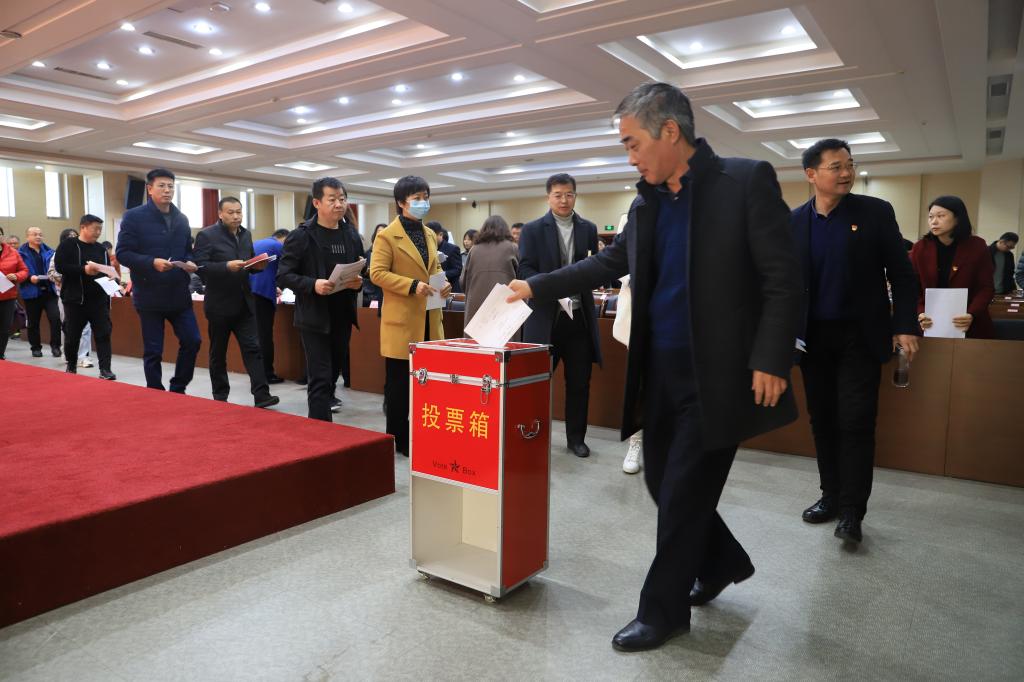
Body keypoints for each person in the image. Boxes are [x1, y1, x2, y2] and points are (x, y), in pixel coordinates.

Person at [506, 81, 802, 651]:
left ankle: (661, 612)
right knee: (662, 481)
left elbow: (783, 279)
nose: (629, 156)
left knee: (684, 493)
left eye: (632, 143)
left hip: (720, 377)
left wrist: (771, 356)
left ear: (670, 131)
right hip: (661, 373)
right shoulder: (645, 204)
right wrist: (536, 286)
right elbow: (609, 263)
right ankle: (722, 561)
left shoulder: (744, 181)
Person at [792, 138, 919, 544]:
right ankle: (830, 496)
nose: (847, 172)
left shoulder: (875, 212)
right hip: (813, 339)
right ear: (811, 174)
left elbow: (902, 274)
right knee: (823, 420)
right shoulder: (794, 222)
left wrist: (904, 325)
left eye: (850, 164)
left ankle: (852, 511)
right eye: (836, 166)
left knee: (856, 422)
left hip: (859, 336)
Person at [518, 172, 600, 458]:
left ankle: (576, 439)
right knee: (536, 384)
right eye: (558, 195)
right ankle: (532, 436)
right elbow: (524, 270)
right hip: (545, 317)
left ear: (575, 196)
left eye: (569, 194)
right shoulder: (532, 230)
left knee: (579, 382)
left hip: (578, 318)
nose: (564, 200)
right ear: (548, 197)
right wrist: (553, 287)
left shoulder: (588, 228)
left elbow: (593, 267)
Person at [369, 175, 450, 456]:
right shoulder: (387, 235)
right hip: (402, 321)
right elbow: (376, 273)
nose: (423, 203)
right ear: (401, 202)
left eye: (426, 197)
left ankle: (422, 432)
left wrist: (443, 282)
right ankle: (398, 438)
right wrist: (412, 285)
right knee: (399, 386)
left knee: (427, 384)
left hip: (429, 317)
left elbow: (433, 269)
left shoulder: (429, 233)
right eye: (416, 198)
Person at [277, 177, 364, 421]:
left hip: (342, 315)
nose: (339, 204)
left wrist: (358, 282)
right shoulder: (302, 235)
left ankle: (324, 427)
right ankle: (320, 431)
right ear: (317, 203)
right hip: (314, 317)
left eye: (342, 199)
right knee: (320, 377)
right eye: (332, 199)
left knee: (332, 375)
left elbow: (360, 267)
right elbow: (283, 275)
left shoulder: (350, 234)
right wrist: (312, 284)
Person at [115, 168, 201, 393]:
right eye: (161, 186)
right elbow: (123, 253)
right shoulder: (134, 217)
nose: (167, 190)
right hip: (149, 294)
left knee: (193, 340)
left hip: (178, 293)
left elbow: (187, 250)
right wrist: (151, 262)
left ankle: (178, 387)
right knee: (154, 349)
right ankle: (154, 390)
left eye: (171, 186)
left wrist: (190, 261)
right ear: (149, 189)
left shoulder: (181, 219)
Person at [192, 197, 280, 408]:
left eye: (239, 212)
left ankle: (261, 395)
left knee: (253, 349)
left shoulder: (246, 234)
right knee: (218, 353)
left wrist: (256, 267)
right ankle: (220, 396)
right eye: (230, 212)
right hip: (219, 305)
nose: (236, 216)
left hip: (244, 303)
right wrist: (225, 267)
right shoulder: (207, 235)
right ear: (220, 214)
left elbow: (248, 262)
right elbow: (200, 268)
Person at [911, 196, 995, 339]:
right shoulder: (920, 248)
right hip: (929, 323)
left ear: (957, 218)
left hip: (970, 324)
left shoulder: (977, 246)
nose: (934, 221)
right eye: (931, 217)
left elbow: (986, 287)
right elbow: (912, 287)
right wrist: (920, 312)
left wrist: (972, 313)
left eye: (941, 216)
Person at [53, 214, 116, 380]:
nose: (98, 232)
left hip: (98, 300)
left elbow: (106, 269)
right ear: (83, 227)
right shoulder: (68, 245)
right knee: (72, 335)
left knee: (103, 334)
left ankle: (105, 370)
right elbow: (60, 267)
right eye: (95, 229)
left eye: (100, 229)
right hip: (75, 300)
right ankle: (71, 365)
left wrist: (112, 276)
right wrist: (83, 270)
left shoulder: (101, 249)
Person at [460, 216, 517, 323]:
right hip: (505, 303)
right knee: (504, 332)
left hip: (476, 305)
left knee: (477, 332)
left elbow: (463, 281)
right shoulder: (513, 248)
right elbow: (522, 279)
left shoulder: (474, 250)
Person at [250, 228, 289, 383]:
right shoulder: (278, 246)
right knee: (265, 335)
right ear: (283, 238)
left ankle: (257, 372)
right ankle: (267, 374)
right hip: (263, 294)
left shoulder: (257, 243)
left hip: (249, 292)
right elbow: (287, 270)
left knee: (256, 334)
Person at [18, 227, 62, 358]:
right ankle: (36, 348)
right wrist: (29, 277)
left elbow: (55, 267)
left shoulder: (50, 251)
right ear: (27, 237)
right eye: (35, 234)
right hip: (32, 291)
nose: (38, 237)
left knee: (55, 319)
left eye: (40, 234)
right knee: (33, 322)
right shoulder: (20, 253)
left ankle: (56, 347)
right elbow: (19, 270)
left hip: (49, 291)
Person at [0, 234, 28, 360]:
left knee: (5, 327)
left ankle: (1, 353)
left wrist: (16, 276)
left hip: (8, 296)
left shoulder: (13, 252)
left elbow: (24, 271)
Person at [426, 221, 463, 293]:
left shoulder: (453, 248)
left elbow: (457, 270)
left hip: (449, 288)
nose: (429, 239)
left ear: (440, 234)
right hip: (431, 288)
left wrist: (439, 275)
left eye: (432, 236)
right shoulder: (427, 248)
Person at [361, 223, 386, 308]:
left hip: (386, 295)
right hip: (370, 295)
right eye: (379, 232)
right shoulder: (367, 254)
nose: (381, 235)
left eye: (384, 233)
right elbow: (362, 274)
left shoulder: (391, 254)